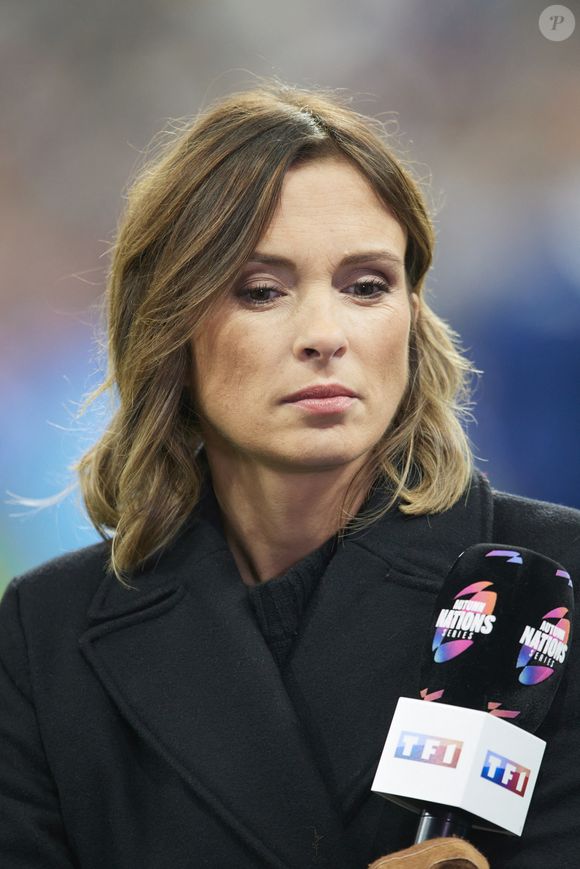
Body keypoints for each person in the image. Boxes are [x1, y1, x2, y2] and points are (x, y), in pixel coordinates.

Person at [1, 79, 579, 869]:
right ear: (168, 326)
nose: (324, 334)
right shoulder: (45, 633)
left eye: (366, 285)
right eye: (263, 291)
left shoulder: (553, 583)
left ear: (412, 316)